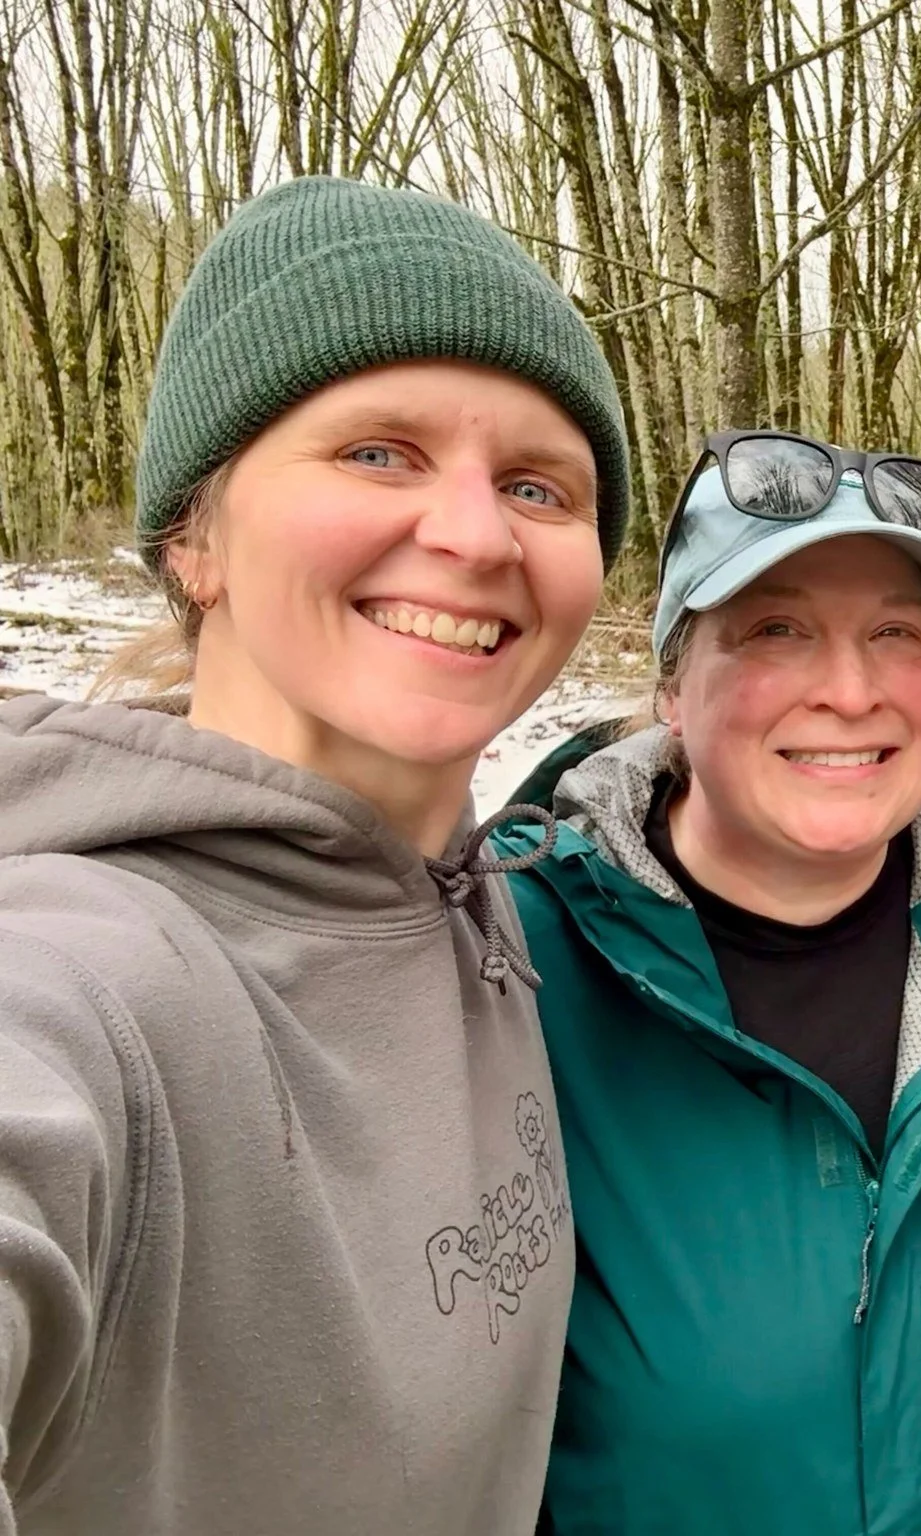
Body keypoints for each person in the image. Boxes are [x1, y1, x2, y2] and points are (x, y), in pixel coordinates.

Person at [0, 177, 630, 1533]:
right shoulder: (82, 974)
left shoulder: (485, 914)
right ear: (195, 535)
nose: (472, 534)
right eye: (377, 454)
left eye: (537, 482)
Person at [492, 431, 921, 1536]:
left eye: (895, 633)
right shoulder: (511, 972)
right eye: (776, 629)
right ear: (674, 683)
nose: (850, 690)